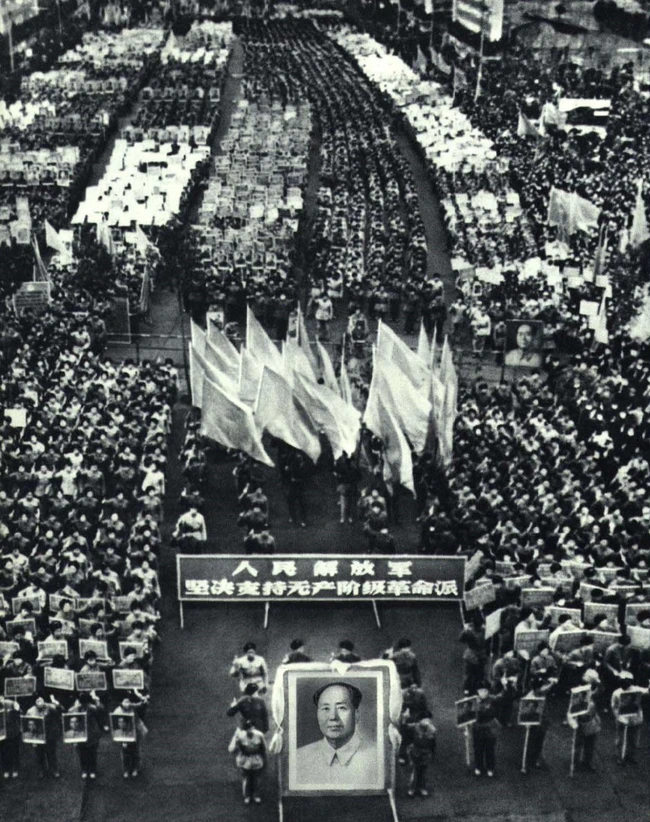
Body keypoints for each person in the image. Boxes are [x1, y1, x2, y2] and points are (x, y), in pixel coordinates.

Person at [294, 681, 379, 787]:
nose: (333, 717)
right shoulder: (298, 758)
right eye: (326, 708)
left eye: (341, 708)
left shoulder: (377, 758)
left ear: (356, 715)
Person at [567, 670, 601, 773]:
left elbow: (596, 695)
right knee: (578, 744)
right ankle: (574, 762)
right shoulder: (577, 692)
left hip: (592, 720)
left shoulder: (593, 690)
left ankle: (588, 762)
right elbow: (571, 709)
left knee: (590, 744)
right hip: (580, 721)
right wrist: (573, 722)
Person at [228, 719, 267, 804]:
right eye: (247, 729)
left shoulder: (259, 735)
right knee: (246, 778)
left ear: (253, 727)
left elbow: (264, 748)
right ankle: (247, 796)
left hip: (256, 758)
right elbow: (231, 749)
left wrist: (263, 759)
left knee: (257, 778)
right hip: (244, 759)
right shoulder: (240, 736)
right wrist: (235, 737)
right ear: (244, 730)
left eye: (251, 728)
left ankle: (256, 796)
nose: (249, 730)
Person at [611, 671, 644, 765]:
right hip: (622, 720)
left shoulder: (637, 690)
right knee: (620, 739)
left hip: (635, 719)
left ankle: (631, 756)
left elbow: (647, 691)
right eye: (621, 680)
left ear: (630, 681)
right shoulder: (617, 693)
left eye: (625, 680)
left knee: (634, 739)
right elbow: (614, 706)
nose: (623, 682)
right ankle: (619, 756)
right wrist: (618, 717)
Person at [472, 685, 500, 777]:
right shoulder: (473, 701)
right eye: (481, 690)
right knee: (478, 749)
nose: (483, 692)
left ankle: (490, 767)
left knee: (490, 749)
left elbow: (495, 712)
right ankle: (478, 766)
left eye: (485, 690)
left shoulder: (493, 700)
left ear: (488, 691)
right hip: (478, 728)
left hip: (490, 728)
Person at [406, 716, 436, 797]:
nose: (426, 722)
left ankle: (422, 788)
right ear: (420, 720)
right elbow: (408, 737)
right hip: (415, 751)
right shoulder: (414, 728)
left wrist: (432, 754)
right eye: (424, 719)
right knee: (415, 770)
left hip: (426, 752)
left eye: (428, 720)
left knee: (423, 771)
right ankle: (412, 788)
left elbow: (433, 744)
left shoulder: (432, 730)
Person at [0, 695, 21, 778]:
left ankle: (15, 769)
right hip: (1, 734)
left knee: (14, 751)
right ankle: (6, 770)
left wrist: (17, 708)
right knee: (3, 752)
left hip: (13, 732)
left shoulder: (11, 703)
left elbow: (19, 713)